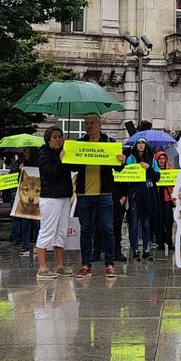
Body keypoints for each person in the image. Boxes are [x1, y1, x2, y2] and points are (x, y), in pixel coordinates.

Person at [69, 113, 124, 279]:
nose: (89, 126)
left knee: (107, 229)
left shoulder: (109, 143)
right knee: (86, 230)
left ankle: (109, 264)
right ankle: (86, 264)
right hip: (84, 194)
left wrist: (121, 160)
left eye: (92, 123)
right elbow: (73, 167)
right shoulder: (80, 144)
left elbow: (118, 169)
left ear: (100, 125)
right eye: (86, 123)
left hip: (104, 193)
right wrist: (66, 157)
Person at [35, 128, 74, 277]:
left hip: (64, 196)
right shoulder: (44, 154)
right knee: (47, 231)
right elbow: (52, 174)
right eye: (55, 137)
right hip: (51, 198)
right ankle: (43, 268)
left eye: (60, 137)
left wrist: (69, 154)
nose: (58, 140)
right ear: (48, 140)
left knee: (61, 232)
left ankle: (60, 266)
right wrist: (61, 160)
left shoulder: (63, 152)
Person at [125, 137, 159, 262]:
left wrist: (148, 168)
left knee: (146, 223)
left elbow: (157, 176)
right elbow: (126, 174)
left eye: (142, 143)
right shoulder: (130, 158)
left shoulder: (152, 158)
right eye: (138, 143)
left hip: (148, 195)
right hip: (135, 194)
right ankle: (135, 249)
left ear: (146, 145)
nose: (140, 145)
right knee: (134, 224)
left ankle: (145, 249)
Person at [152, 150, 175, 253]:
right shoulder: (154, 171)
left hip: (167, 199)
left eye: (163, 158)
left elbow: (173, 184)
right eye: (159, 159)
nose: (161, 161)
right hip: (157, 198)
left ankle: (170, 242)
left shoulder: (170, 170)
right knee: (158, 221)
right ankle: (160, 242)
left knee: (168, 221)